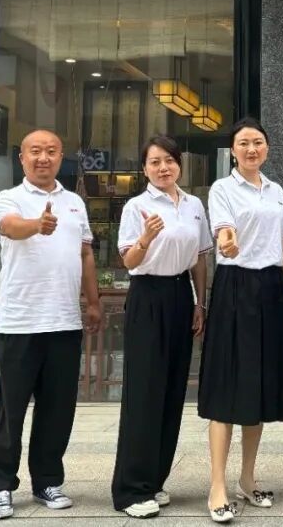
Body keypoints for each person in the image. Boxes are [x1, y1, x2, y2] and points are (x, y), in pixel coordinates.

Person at [0, 129, 101, 521]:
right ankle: (1, 486)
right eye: (35, 151)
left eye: (51, 151)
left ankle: (48, 481)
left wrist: (93, 302)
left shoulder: (74, 203)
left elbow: (86, 254)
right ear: (22, 158)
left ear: (60, 156)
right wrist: (37, 224)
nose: (43, 158)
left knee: (57, 410)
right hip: (20, 323)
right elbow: (10, 227)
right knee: (9, 411)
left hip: (64, 322)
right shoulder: (9, 198)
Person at [199, 118, 283, 523]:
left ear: (267, 148)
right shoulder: (222, 189)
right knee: (227, 385)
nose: (251, 149)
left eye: (257, 142)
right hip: (236, 286)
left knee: (258, 386)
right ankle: (217, 486)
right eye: (243, 143)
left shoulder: (275, 190)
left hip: (272, 288)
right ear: (233, 151)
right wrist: (228, 243)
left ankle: (246, 477)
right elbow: (224, 233)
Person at [111, 135, 211, 519]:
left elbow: (199, 259)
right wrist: (146, 237)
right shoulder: (136, 206)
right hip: (147, 295)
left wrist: (200, 303)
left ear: (179, 164)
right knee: (144, 392)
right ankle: (130, 489)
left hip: (180, 295)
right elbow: (129, 262)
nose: (163, 167)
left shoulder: (194, 205)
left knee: (171, 391)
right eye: (154, 162)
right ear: (144, 169)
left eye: (169, 160)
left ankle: (154, 480)